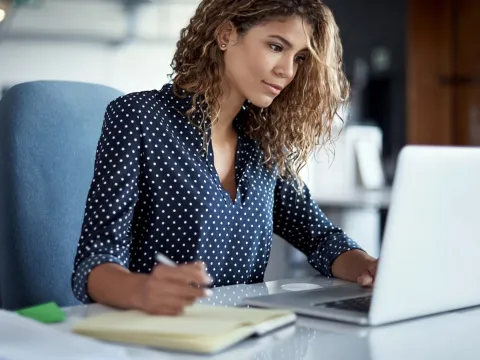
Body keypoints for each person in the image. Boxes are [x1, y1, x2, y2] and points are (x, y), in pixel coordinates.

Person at [72, 0, 378, 316]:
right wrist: (141, 290)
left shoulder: (264, 144)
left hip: (243, 339)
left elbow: (322, 240)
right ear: (226, 34)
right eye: (276, 46)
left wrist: (369, 267)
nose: (287, 71)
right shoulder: (139, 118)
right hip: (158, 337)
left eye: (299, 58)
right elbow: (94, 263)